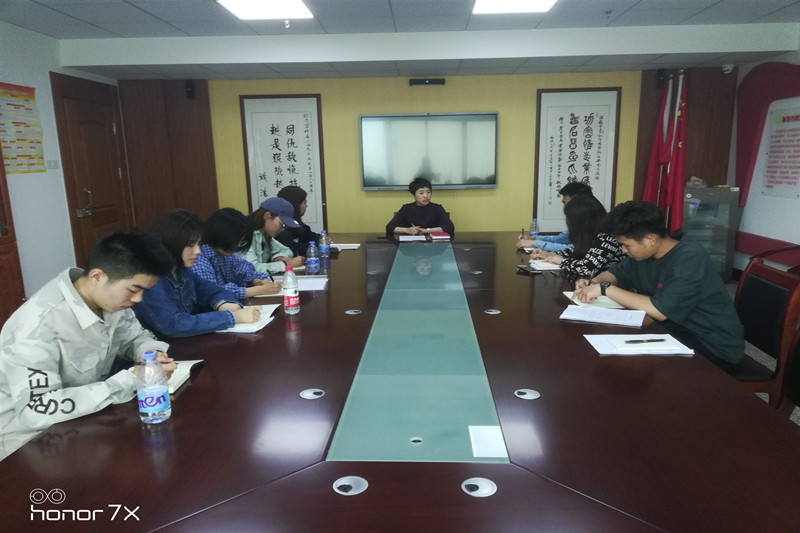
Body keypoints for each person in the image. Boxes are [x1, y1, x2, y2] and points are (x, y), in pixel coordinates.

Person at [0, 230, 176, 460]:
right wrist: (131, 380)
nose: (138, 299)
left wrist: (150, 355)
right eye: (134, 290)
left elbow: (134, 337)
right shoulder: (38, 326)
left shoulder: (109, 300)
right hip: (29, 445)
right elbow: (36, 410)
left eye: (144, 291)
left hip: (85, 422)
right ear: (97, 276)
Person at [572, 200, 744, 372]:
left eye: (626, 245)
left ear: (650, 239)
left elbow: (660, 311)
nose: (623, 250)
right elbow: (613, 275)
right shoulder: (642, 256)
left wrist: (605, 289)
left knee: (626, 370)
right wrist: (593, 282)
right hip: (671, 331)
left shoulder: (690, 258)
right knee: (603, 355)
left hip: (710, 344)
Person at [133, 209, 262, 338]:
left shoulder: (182, 271)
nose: (197, 251)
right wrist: (232, 317)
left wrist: (223, 303)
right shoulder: (149, 278)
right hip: (161, 347)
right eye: (190, 245)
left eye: (199, 244)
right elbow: (173, 325)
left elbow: (213, 290)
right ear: (171, 242)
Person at [191, 208, 283, 299]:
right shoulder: (197, 258)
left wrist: (257, 281)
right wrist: (256, 290)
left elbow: (245, 269)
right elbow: (212, 292)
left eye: (242, 241)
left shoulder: (225, 254)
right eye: (236, 240)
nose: (238, 245)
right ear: (221, 234)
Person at [539, 194, 626, 280]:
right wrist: (551, 254)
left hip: (612, 285)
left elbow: (586, 268)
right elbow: (578, 250)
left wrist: (562, 261)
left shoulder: (608, 238)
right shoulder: (594, 234)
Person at [516, 181, 593, 252]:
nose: (564, 207)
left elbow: (573, 249)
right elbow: (558, 240)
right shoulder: (578, 221)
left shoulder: (592, 223)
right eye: (564, 203)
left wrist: (534, 243)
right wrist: (533, 238)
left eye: (568, 204)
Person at [238, 197, 304, 274]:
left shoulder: (264, 235)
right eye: (282, 224)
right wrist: (285, 264)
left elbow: (286, 251)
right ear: (267, 217)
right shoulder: (243, 235)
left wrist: (278, 257)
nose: (283, 229)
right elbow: (251, 269)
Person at [386, 177, 455, 237]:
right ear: (414, 195)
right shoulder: (406, 208)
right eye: (421, 193)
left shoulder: (437, 208)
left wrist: (426, 230)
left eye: (428, 192)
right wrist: (407, 230)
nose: (426, 196)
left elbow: (450, 227)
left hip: (432, 244)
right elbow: (389, 227)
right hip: (412, 244)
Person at [276, 185, 320, 256]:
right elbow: (292, 249)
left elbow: (309, 235)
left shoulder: (295, 221)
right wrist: (318, 245)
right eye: (304, 203)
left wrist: (322, 239)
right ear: (295, 204)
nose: (306, 206)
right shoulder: (279, 225)